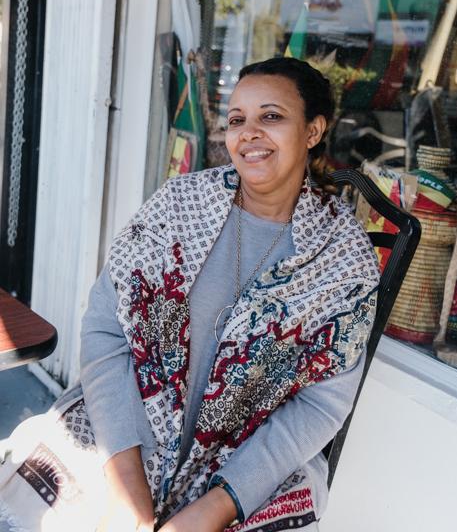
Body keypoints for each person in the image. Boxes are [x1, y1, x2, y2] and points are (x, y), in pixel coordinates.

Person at [0, 57, 379, 532]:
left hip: (247, 464)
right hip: (129, 429)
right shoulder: (181, 204)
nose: (249, 133)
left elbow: (321, 405)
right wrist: (125, 483)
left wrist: (215, 508)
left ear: (312, 130)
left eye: (272, 116)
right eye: (237, 119)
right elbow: (105, 327)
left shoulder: (343, 257)